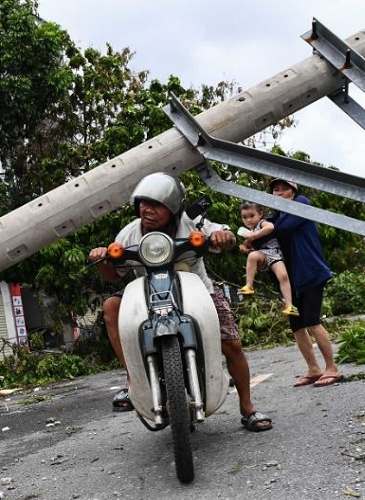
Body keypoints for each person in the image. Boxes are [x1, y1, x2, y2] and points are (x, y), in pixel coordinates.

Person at [88, 173, 273, 432]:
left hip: (198, 291)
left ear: (173, 208)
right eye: (143, 203)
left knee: (232, 343)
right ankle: (133, 378)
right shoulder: (130, 233)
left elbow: (225, 236)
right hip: (147, 294)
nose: (146, 209)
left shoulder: (192, 222)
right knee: (111, 307)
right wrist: (104, 259)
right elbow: (112, 275)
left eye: (155, 204)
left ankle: (247, 406)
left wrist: (224, 238)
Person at [267, 178, 343, 388]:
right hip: (291, 281)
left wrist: (262, 230)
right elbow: (265, 242)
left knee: (312, 320)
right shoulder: (275, 217)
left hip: (311, 273)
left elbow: (278, 231)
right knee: (297, 326)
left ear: (293, 191)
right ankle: (313, 369)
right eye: (276, 190)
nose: (280, 193)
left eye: (285, 189)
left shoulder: (302, 204)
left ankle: (332, 368)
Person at [236, 201, 299, 317]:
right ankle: (249, 285)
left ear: (260, 214)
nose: (248, 220)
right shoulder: (250, 232)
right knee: (252, 256)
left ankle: (290, 305)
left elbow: (270, 227)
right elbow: (248, 247)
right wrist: (244, 247)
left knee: (283, 276)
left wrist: (254, 236)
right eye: (245, 217)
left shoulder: (261, 223)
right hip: (262, 255)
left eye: (251, 216)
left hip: (274, 254)